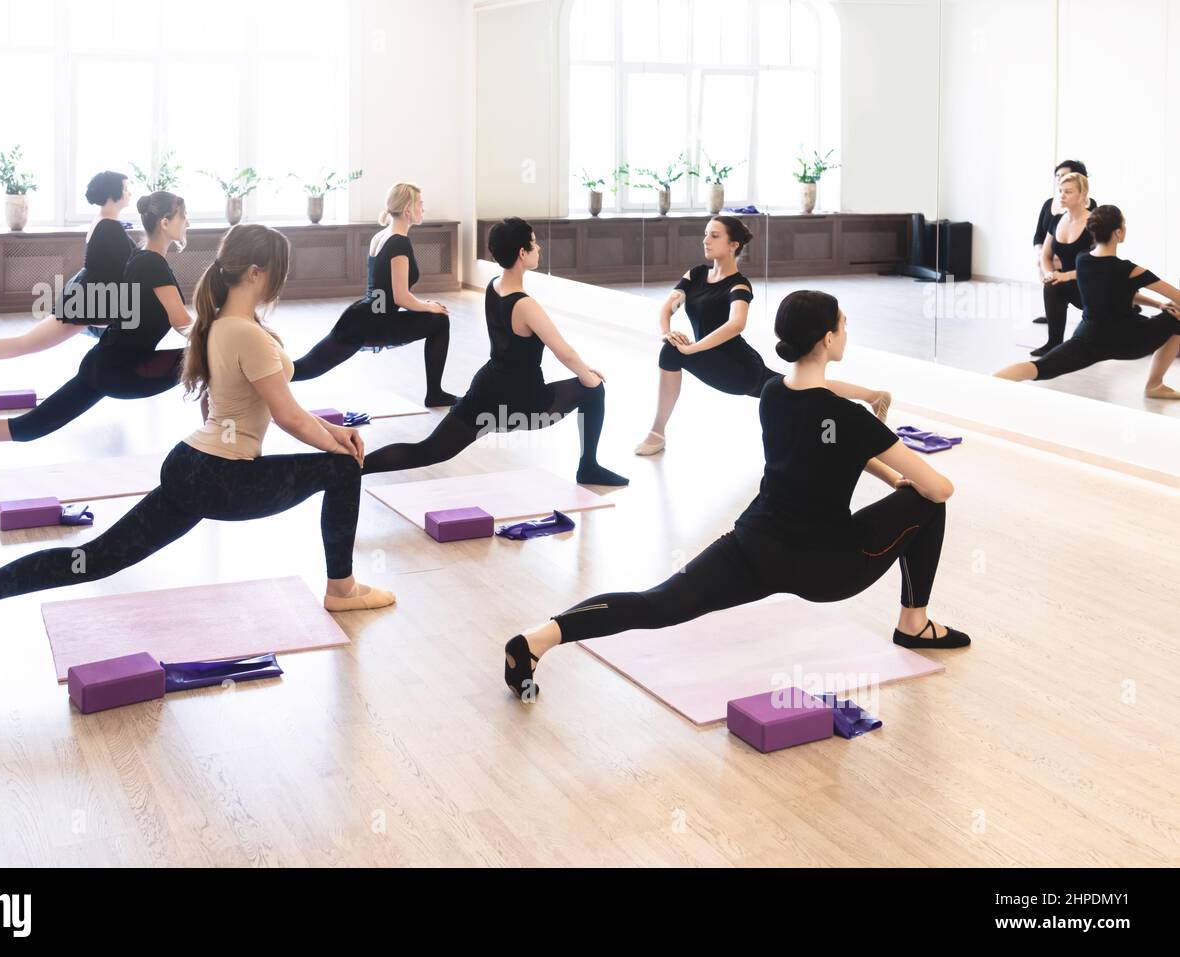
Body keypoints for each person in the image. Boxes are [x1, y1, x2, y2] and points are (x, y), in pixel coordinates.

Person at [0, 224, 394, 666]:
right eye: (278, 274)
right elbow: (288, 415)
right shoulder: (246, 334)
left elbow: (261, 408)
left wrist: (333, 433)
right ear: (256, 273)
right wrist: (337, 444)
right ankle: (342, 588)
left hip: (193, 466)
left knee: (98, 559)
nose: (279, 284)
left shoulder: (216, 325)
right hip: (221, 476)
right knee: (342, 470)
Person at [504, 290, 970, 700]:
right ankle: (914, 624)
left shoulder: (773, 393)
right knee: (927, 503)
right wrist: (895, 464)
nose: (846, 330)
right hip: (829, 566)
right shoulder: (850, 419)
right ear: (827, 339)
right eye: (843, 324)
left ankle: (539, 637)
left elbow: (823, 440)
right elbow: (938, 487)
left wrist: (888, 476)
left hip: (756, 545)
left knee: (658, 603)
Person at [0, 191, 195, 490]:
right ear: (166, 223)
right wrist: (223, 335)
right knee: (208, 356)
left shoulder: (142, 258)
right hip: (122, 372)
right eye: (184, 216)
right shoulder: (151, 264)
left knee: (26, 428)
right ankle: (219, 455)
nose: (188, 222)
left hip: (107, 364)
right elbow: (182, 323)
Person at [361, 217, 628, 486]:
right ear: (522, 253)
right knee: (594, 390)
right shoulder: (526, 305)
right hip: (525, 403)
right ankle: (588, 468)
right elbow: (564, 352)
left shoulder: (492, 286)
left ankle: (356, 466)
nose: (540, 249)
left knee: (428, 450)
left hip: (485, 390)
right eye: (534, 244)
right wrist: (587, 375)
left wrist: (583, 372)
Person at [635, 216, 890, 456]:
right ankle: (873, 396)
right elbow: (667, 307)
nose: (705, 241)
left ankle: (657, 434)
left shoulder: (739, 285)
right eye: (705, 235)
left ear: (733, 244)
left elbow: (736, 324)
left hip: (740, 368)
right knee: (802, 386)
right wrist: (667, 334)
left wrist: (693, 348)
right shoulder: (695, 275)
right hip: (713, 359)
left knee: (803, 388)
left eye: (714, 236)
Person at [0, 171, 138, 393]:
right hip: (91, 300)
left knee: (26, 343)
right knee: (24, 344)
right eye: (126, 189)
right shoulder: (109, 226)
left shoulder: (107, 223)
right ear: (112, 194)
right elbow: (126, 266)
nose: (130, 193)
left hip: (94, 297)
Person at [290, 182, 457, 406]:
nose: (422, 209)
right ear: (408, 210)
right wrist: (429, 306)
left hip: (364, 314)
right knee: (440, 320)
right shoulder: (400, 243)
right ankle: (434, 394)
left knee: (306, 366)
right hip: (377, 321)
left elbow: (385, 290)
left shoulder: (382, 235)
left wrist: (424, 304)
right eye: (420, 204)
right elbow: (400, 297)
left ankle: (264, 375)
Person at [995, 205, 1180, 398]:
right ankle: (1154, 385)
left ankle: (984, 384)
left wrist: (1158, 305)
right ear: (1118, 232)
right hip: (1128, 341)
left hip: (1088, 339)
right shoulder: (1130, 270)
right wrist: (1165, 306)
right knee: (1177, 317)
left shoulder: (1082, 261)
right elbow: (1177, 296)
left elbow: (1115, 291)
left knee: (1037, 368)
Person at [1030, 172, 1093, 356]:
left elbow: (1096, 264)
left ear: (1083, 194)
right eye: (1060, 191)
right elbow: (1046, 255)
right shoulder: (1057, 220)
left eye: (1068, 192)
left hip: (1092, 287)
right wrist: (1050, 273)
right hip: (1069, 283)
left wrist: (1065, 275)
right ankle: (1054, 342)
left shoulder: (1094, 222)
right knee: (1052, 285)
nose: (1062, 196)